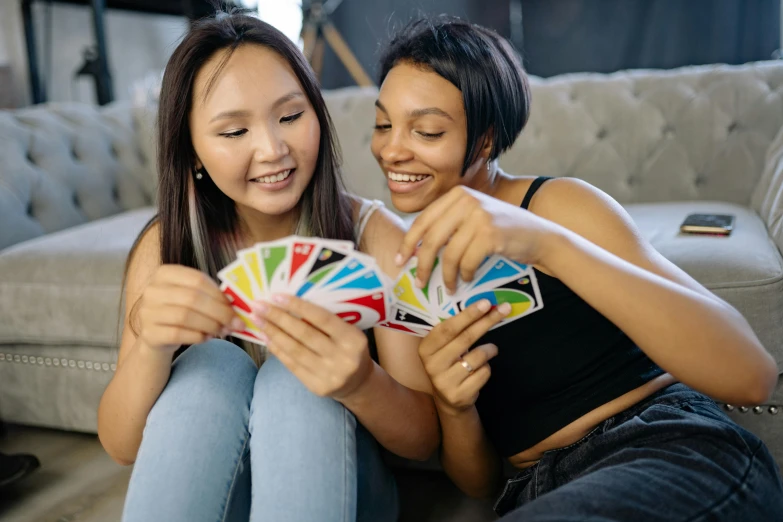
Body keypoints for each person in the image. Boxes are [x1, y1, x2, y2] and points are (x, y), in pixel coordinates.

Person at [371, 16, 783, 521]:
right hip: (534, 489)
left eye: (426, 130)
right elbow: (478, 482)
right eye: (383, 124)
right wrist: (456, 407)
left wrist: (547, 245)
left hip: (664, 446)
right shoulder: (409, 272)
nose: (392, 150)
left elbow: (752, 373)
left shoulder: (558, 207)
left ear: (485, 140)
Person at [97, 11, 438, 522]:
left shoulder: (377, 237)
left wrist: (360, 382)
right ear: (192, 153)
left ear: (317, 114)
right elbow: (122, 445)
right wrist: (150, 345)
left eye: (290, 116)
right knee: (210, 363)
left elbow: (424, 440)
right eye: (234, 131)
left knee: (292, 376)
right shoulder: (167, 244)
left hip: (340, 487)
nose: (273, 150)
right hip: (219, 490)